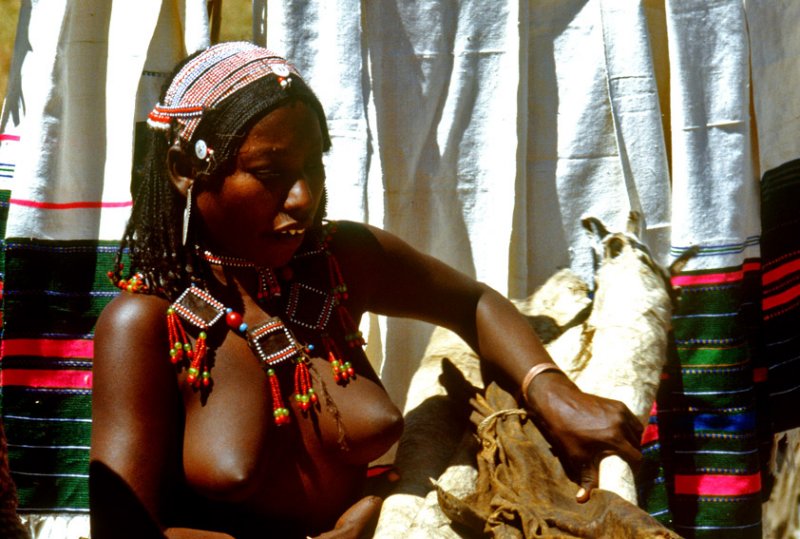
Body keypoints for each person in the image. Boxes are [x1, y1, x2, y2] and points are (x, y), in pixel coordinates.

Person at [89, 41, 643, 539]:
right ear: (187, 170)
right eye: (270, 171)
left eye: (313, 167)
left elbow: (472, 304)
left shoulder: (337, 264)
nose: (303, 197)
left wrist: (552, 393)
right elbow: (123, 534)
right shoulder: (148, 325)